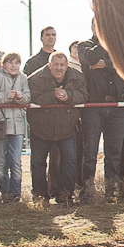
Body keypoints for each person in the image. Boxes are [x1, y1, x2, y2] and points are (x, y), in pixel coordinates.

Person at [26, 51, 83, 205]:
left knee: (69, 161)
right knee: (38, 163)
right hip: (41, 127)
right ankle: (40, 196)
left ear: (67, 65)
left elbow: (84, 95)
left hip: (67, 128)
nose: (59, 68)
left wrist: (69, 95)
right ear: (49, 65)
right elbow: (32, 98)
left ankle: (65, 195)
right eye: (56, 65)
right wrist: (54, 95)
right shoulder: (35, 79)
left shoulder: (78, 76)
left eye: (62, 65)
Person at [71, 23, 121, 199]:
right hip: (93, 106)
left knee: (113, 153)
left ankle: (111, 191)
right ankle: (87, 191)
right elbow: (89, 57)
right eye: (97, 25)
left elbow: (123, 63)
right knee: (90, 152)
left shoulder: (117, 45)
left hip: (115, 106)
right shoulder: (84, 45)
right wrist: (103, 44)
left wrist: (105, 64)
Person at [0, 53, 30, 201]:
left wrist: (20, 97)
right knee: (1, 161)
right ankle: (5, 193)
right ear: (4, 64)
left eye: (17, 63)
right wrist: (6, 96)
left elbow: (28, 97)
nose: (14, 66)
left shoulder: (23, 78)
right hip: (0, 124)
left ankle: (16, 194)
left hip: (17, 126)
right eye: (10, 63)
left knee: (16, 161)